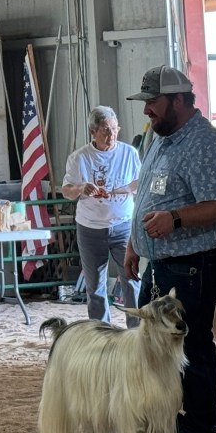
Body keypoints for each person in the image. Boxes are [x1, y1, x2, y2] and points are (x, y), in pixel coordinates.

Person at [122, 65, 216, 433]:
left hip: (195, 263)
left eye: (152, 102)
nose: (146, 111)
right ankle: (161, 418)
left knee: (192, 345)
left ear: (178, 100)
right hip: (160, 261)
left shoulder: (208, 144)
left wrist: (174, 219)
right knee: (151, 344)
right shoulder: (158, 138)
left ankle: (200, 428)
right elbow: (147, 195)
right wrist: (135, 244)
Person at [61, 106, 142, 327]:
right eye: (105, 130)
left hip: (123, 225)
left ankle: (135, 332)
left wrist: (125, 189)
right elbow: (66, 191)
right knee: (95, 285)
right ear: (92, 131)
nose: (111, 135)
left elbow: (140, 183)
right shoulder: (79, 158)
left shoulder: (129, 154)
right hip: (90, 228)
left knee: (131, 280)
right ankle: (100, 332)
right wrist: (80, 189)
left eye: (115, 129)